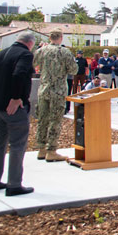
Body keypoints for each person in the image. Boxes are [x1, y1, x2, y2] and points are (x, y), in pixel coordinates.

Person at [0, 31, 36, 196]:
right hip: (13, 108)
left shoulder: (0, 54)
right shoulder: (25, 55)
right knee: (17, 144)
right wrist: (16, 97)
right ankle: (14, 184)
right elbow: (19, 74)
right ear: (30, 43)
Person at [32, 31, 78, 162]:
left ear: (49, 37)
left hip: (43, 89)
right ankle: (51, 150)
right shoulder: (64, 52)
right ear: (61, 38)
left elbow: (33, 63)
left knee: (43, 119)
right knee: (55, 120)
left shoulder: (41, 51)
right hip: (58, 90)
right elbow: (74, 70)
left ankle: (41, 149)